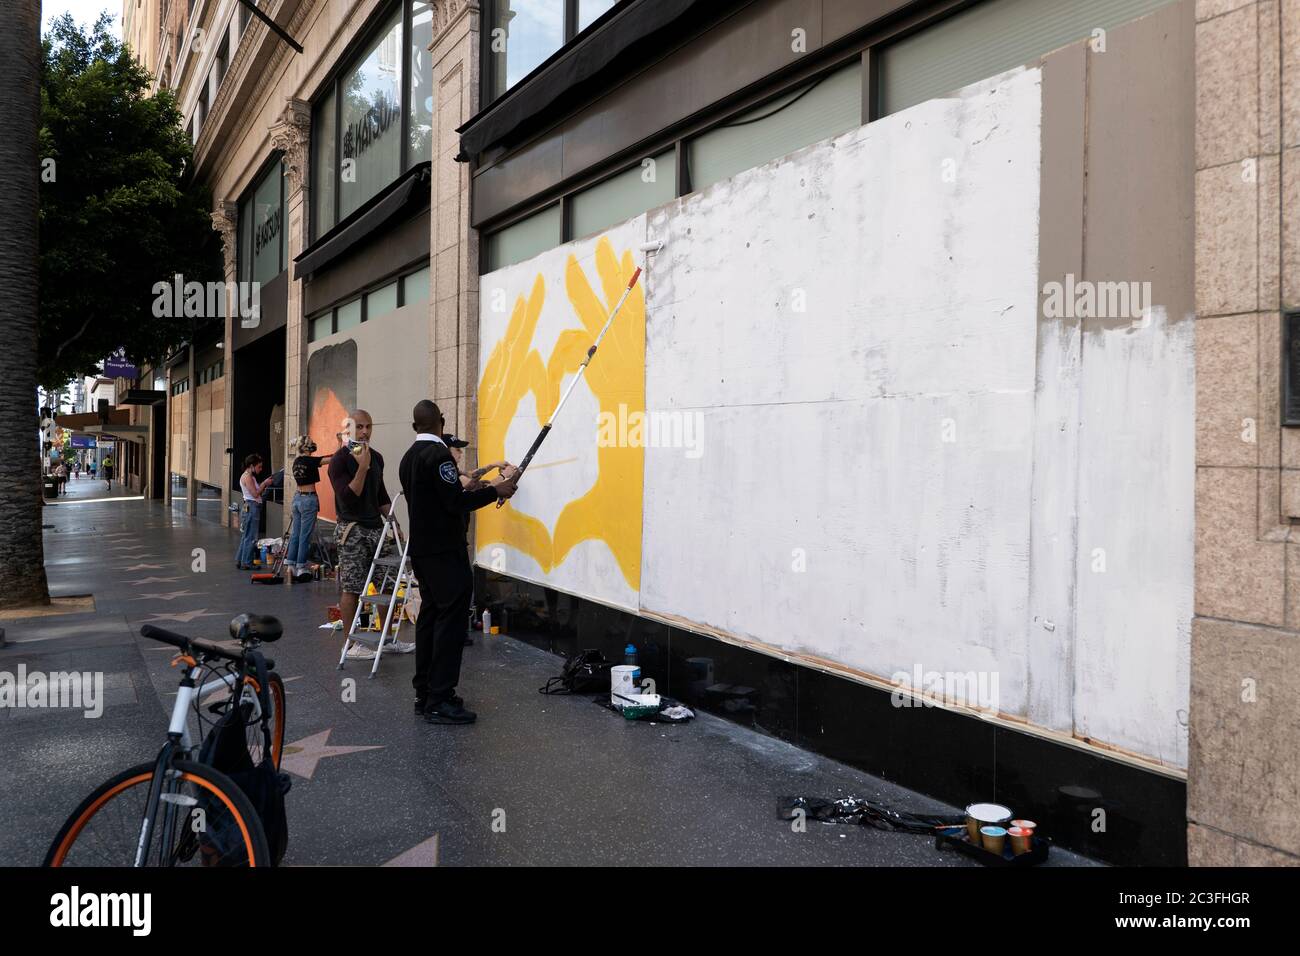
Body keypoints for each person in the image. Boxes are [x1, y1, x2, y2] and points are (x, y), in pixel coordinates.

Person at [400, 400, 517, 725]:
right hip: (444, 552)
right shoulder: (439, 456)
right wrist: (497, 490)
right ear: (441, 421)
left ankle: (424, 693)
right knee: (450, 623)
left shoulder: (408, 457)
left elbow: (439, 498)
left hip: (422, 551)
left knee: (429, 617)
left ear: (414, 427)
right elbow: (454, 502)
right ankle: (441, 698)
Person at [328, 409, 414, 659]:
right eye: (359, 427)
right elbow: (347, 496)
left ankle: (386, 639)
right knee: (352, 587)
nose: (364, 432)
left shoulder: (376, 457)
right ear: (348, 430)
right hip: (352, 530)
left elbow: (381, 495)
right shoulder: (339, 460)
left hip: (377, 528)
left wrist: (394, 522)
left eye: (368, 427)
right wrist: (362, 468)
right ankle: (350, 645)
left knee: (387, 585)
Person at [285, 436, 328, 582]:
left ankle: (290, 565)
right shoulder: (310, 461)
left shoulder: (296, 462)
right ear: (308, 448)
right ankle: (301, 567)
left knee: (295, 534)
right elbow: (330, 460)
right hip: (308, 499)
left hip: (297, 498)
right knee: (305, 536)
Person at [236, 454, 273, 570]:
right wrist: (264, 484)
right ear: (252, 466)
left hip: (250, 507)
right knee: (251, 536)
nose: (260, 469)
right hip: (252, 508)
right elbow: (255, 494)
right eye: (259, 467)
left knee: (246, 536)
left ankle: (240, 560)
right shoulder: (247, 477)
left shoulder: (248, 476)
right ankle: (247, 562)